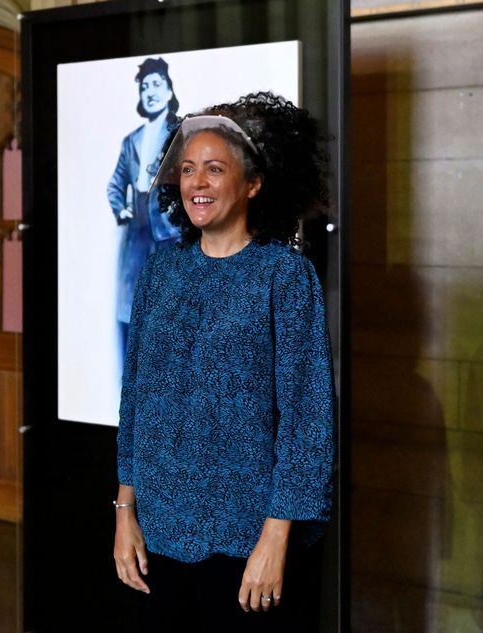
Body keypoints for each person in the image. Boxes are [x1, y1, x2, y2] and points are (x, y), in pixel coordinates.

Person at [112, 92, 334, 632]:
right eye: (188, 170)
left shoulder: (283, 275)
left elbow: (308, 420)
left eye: (215, 169)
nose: (197, 183)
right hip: (157, 531)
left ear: (254, 183)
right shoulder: (162, 271)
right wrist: (125, 512)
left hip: (245, 537)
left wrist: (276, 537)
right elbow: (135, 397)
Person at [106, 57, 182, 363]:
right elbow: (115, 184)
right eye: (145, 86)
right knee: (130, 307)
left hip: (167, 230)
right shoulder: (131, 140)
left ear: (168, 91)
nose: (150, 92)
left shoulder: (181, 131)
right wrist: (121, 210)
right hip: (136, 230)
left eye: (156, 85)